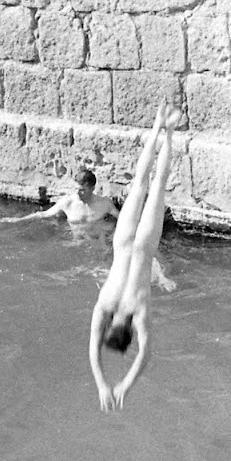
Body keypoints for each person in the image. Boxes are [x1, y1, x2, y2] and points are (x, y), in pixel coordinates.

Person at [88, 102, 182, 412]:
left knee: (157, 186)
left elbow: (144, 354)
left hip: (142, 246)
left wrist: (123, 384)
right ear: (116, 326)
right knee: (141, 186)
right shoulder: (105, 307)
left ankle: (167, 132)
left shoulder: (137, 312)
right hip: (125, 241)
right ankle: (157, 127)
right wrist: (105, 383)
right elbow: (93, 348)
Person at [0, 171, 115, 225]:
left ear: (92, 188)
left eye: (83, 190)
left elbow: (123, 218)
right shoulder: (68, 202)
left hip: (97, 244)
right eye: (77, 189)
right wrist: (18, 220)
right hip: (75, 244)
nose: (79, 193)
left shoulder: (104, 204)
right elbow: (43, 214)